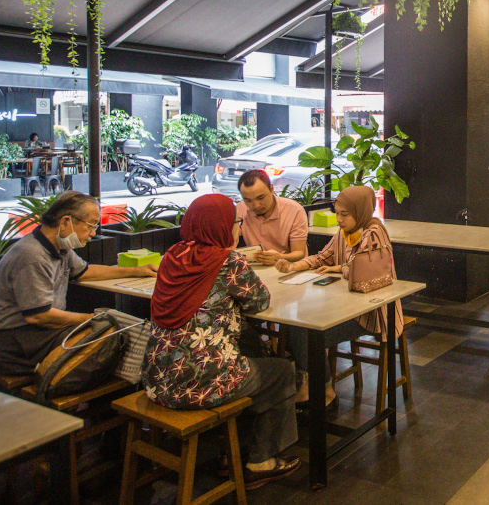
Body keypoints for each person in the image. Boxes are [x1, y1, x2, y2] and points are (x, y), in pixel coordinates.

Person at [142, 194, 301, 489]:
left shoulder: (172, 256)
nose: (237, 228)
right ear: (221, 227)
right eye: (235, 222)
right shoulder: (228, 262)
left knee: (250, 354)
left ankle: (233, 449)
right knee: (280, 372)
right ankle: (260, 461)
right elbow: (259, 301)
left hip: (157, 378)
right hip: (200, 385)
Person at [0, 191, 158, 376]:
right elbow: (39, 316)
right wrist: (89, 318)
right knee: (111, 334)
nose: (93, 233)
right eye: (91, 226)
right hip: (11, 341)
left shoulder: (59, 247)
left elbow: (85, 271)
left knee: (112, 332)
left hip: (36, 332)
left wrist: (137, 271)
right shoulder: (33, 256)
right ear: (65, 222)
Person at [275, 186, 404, 408]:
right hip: (345, 306)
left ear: (360, 211)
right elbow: (322, 257)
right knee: (297, 324)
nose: (339, 219)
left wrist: (338, 268)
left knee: (311, 335)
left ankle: (323, 391)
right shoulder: (345, 233)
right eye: (337, 213)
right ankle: (314, 385)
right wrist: (294, 265)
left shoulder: (374, 233)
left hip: (371, 313)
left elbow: (362, 271)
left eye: (344, 214)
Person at [236, 169, 308, 265]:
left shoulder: (294, 210)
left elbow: (299, 253)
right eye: (248, 200)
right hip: (257, 268)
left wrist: (279, 257)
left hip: (290, 268)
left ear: (271, 189)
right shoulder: (240, 209)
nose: (256, 205)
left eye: (260, 198)